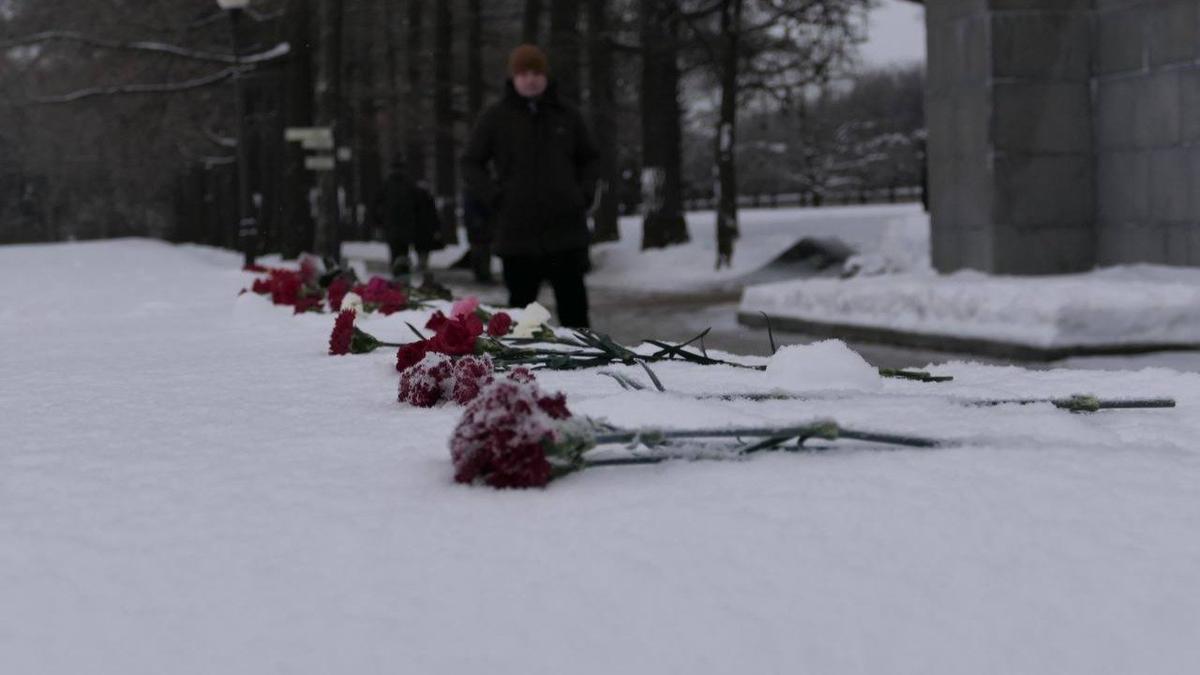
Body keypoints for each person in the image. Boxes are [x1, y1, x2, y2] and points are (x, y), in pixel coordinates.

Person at [461, 44, 599, 328]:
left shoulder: (567, 115)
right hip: (517, 234)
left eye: (536, 73)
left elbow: (590, 158)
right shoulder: (495, 117)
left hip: (566, 231)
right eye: (523, 74)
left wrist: (582, 194)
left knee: (575, 316)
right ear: (513, 77)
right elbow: (470, 162)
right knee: (521, 321)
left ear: (545, 76)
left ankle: (583, 358)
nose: (530, 79)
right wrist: (496, 197)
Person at [375, 156, 443, 283]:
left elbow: (377, 208)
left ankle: (398, 277)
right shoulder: (410, 186)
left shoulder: (386, 187)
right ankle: (403, 278)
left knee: (395, 252)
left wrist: (379, 224)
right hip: (406, 227)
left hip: (392, 227)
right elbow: (419, 209)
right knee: (403, 253)